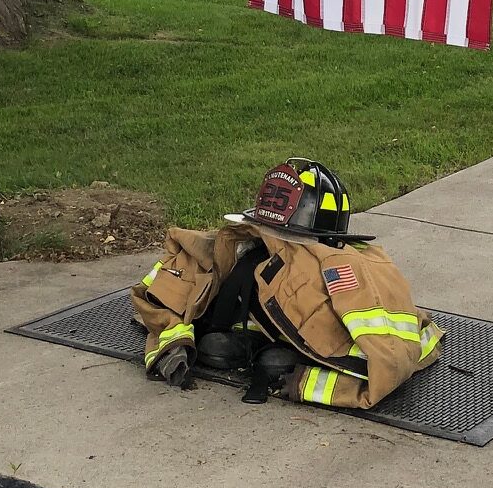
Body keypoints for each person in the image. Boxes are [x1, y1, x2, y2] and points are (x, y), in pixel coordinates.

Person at [131, 159, 442, 410]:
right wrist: (175, 341)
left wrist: (302, 379)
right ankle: (255, 342)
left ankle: (278, 349)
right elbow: (159, 293)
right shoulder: (230, 248)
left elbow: (391, 360)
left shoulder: (355, 270)